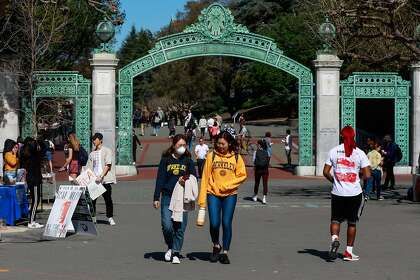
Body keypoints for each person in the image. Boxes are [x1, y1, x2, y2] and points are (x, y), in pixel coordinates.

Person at [198, 131, 247, 264]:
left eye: (223, 144)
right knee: (214, 223)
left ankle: (225, 252)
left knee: (226, 222)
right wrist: (201, 201)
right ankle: (216, 245)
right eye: (218, 143)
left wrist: (229, 185)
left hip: (230, 194)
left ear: (229, 143)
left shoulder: (236, 157)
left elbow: (242, 175)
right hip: (212, 193)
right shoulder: (211, 156)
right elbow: (205, 178)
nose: (220, 146)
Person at [323, 126, 370, 261]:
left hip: (337, 192)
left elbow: (325, 172)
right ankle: (348, 252)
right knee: (352, 223)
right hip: (354, 193)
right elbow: (367, 175)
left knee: (335, 220)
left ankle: (334, 239)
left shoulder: (333, 151)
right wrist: (356, 176)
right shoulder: (360, 153)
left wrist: (335, 180)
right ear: (354, 136)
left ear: (341, 136)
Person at [153, 134, 197, 264]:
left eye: (184, 145)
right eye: (179, 145)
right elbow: (160, 179)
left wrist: (186, 180)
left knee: (180, 227)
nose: (182, 147)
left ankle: (176, 252)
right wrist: (156, 197)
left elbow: (194, 177)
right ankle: (171, 246)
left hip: (182, 197)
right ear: (173, 145)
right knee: (167, 225)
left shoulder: (188, 160)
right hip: (167, 196)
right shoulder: (166, 160)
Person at [86, 133, 117, 226]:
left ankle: (110, 217)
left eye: (95, 139)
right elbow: (89, 168)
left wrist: (101, 175)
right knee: (92, 201)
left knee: (108, 199)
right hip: (94, 181)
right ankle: (93, 217)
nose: (93, 141)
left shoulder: (107, 151)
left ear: (100, 140)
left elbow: (108, 164)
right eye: (93, 139)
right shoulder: (92, 154)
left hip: (104, 180)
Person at [21, 138, 45, 229]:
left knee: (35, 200)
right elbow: (44, 148)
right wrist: (39, 140)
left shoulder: (26, 154)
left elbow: (42, 149)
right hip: (34, 180)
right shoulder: (33, 155)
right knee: (35, 201)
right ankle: (31, 221)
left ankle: (33, 220)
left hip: (32, 179)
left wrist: (37, 142)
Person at [252, 140, 270, 204]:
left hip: (258, 169)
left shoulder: (256, 152)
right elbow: (268, 160)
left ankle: (255, 196)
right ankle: (264, 198)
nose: (256, 145)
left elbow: (253, 161)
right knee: (265, 184)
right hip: (265, 170)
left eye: (257, 144)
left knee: (257, 183)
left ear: (259, 145)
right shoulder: (267, 152)